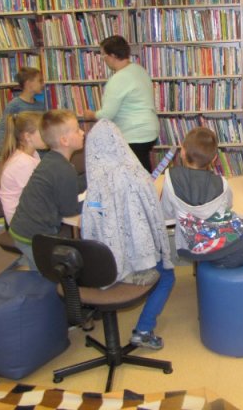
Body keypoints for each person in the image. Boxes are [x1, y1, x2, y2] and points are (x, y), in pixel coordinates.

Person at [81, 119, 174, 350]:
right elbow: (152, 221)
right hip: (134, 263)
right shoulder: (135, 175)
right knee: (167, 276)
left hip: (104, 264)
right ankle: (143, 330)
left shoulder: (94, 181)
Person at [161, 127, 243, 267]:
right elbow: (228, 205)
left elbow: (166, 213)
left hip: (201, 250)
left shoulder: (170, 180)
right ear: (215, 158)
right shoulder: (221, 183)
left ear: (182, 152)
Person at [9, 109, 87, 270]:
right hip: (32, 236)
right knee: (48, 276)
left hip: (22, 229)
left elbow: (71, 186)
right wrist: (93, 199)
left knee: (40, 271)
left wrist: (90, 178)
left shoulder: (52, 160)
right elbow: (70, 210)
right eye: (77, 130)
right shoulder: (63, 169)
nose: (83, 133)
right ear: (64, 140)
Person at [83, 35, 160, 172]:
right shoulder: (138, 70)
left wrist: (91, 115)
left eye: (104, 55)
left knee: (134, 174)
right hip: (149, 130)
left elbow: (107, 114)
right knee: (142, 170)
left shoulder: (119, 79)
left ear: (113, 56)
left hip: (134, 134)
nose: (103, 59)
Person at [0, 111, 46, 224]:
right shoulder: (23, 163)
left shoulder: (33, 154)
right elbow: (39, 195)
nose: (47, 135)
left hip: (29, 215)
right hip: (22, 223)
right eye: (42, 131)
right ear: (27, 136)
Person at [0, 67, 45, 147]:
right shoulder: (14, 105)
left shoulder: (41, 105)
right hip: (22, 151)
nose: (43, 84)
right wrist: (8, 152)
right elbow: (3, 131)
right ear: (29, 84)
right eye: (40, 81)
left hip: (39, 151)